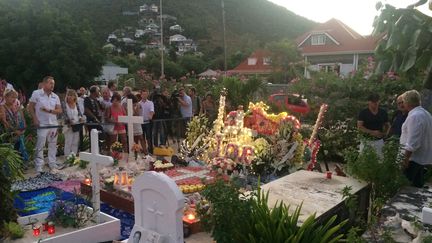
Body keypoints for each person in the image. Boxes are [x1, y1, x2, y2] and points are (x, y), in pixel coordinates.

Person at [28, 76, 62, 173]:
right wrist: (34, 118)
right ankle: (39, 166)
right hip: (42, 123)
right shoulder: (36, 93)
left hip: (53, 124)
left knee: (52, 144)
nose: (52, 85)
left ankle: (52, 163)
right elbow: (30, 107)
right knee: (40, 145)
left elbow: (59, 110)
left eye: (53, 84)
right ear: (44, 84)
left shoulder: (55, 96)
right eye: (50, 83)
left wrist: (50, 110)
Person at [400, 90, 432, 188]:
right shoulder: (426, 114)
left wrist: (405, 159)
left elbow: (413, 142)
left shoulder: (415, 116)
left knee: (405, 189)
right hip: (420, 159)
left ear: (407, 102)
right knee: (416, 188)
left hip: (412, 160)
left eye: (403, 102)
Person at [1, 89, 28, 164]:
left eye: (15, 97)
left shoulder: (15, 107)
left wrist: (22, 128)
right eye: (12, 97)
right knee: (9, 154)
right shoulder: (2, 107)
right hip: (8, 134)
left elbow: (19, 120)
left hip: (17, 133)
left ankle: (20, 166)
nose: (14, 99)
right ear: (6, 97)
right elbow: (4, 122)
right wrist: (15, 131)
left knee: (18, 151)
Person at [62, 89, 85, 156]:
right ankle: (67, 157)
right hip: (68, 126)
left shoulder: (76, 104)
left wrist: (80, 118)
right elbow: (64, 114)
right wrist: (68, 120)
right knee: (68, 142)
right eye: (68, 95)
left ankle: (73, 157)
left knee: (75, 142)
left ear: (75, 96)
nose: (69, 96)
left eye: (71, 95)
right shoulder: (64, 104)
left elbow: (79, 114)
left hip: (76, 125)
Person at [139, 88, 154, 154]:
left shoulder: (150, 103)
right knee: (142, 137)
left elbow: (152, 110)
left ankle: (150, 150)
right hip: (140, 123)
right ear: (141, 95)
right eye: (143, 94)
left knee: (149, 137)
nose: (145, 95)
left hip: (147, 122)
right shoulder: (138, 103)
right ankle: (145, 151)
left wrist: (151, 115)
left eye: (146, 94)